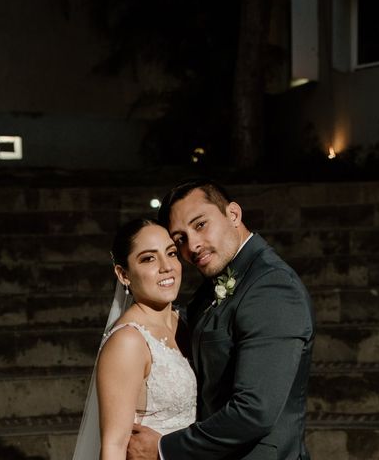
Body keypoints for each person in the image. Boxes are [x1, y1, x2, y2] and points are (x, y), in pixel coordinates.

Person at [127, 179, 315, 460]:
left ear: (233, 214)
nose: (193, 245)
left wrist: (163, 449)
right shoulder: (214, 284)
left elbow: (255, 411)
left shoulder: (272, 287)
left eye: (200, 224)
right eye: (180, 239)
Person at [72, 219, 197, 460]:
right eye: (148, 258)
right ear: (123, 274)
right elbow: (114, 447)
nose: (166, 266)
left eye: (171, 253)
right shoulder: (128, 341)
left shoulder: (187, 322)